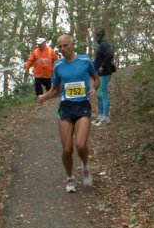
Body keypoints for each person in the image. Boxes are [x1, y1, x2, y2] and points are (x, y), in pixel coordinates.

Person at [38, 34, 100, 193]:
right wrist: (45, 96)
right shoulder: (58, 66)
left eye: (65, 45)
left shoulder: (85, 61)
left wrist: (94, 87)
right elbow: (56, 89)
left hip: (83, 107)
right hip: (66, 108)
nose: (62, 49)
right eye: (60, 47)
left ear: (72, 44)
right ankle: (70, 177)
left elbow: (96, 78)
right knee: (67, 149)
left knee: (80, 145)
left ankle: (85, 165)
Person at [92, 28, 115, 126]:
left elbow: (110, 55)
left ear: (98, 35)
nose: (93, 36)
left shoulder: (104, 44)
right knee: (99, 94)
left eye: (94, 34)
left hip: (105, 73)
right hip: (100, 74)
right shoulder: (100, 44)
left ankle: (106, 118)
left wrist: (102, 66)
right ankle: (101, 116)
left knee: (104, 94)